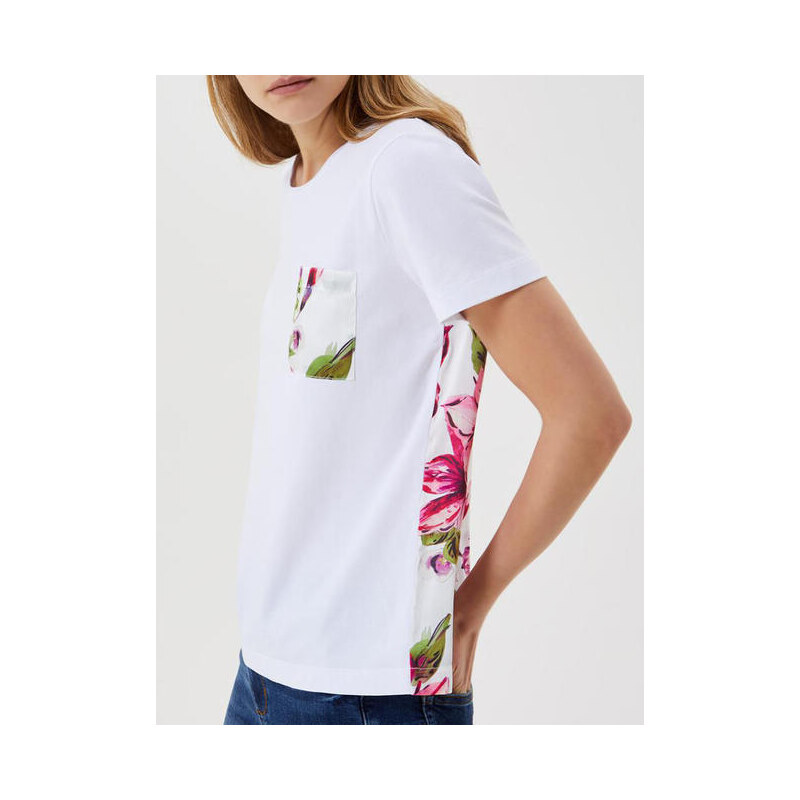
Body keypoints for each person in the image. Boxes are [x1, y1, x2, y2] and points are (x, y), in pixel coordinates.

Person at [206, 75, 632, 725]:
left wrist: (469, 608)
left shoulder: (406, 165)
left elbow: (589, 414)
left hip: (372, 692)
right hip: (265, 669)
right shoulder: (306, 178)